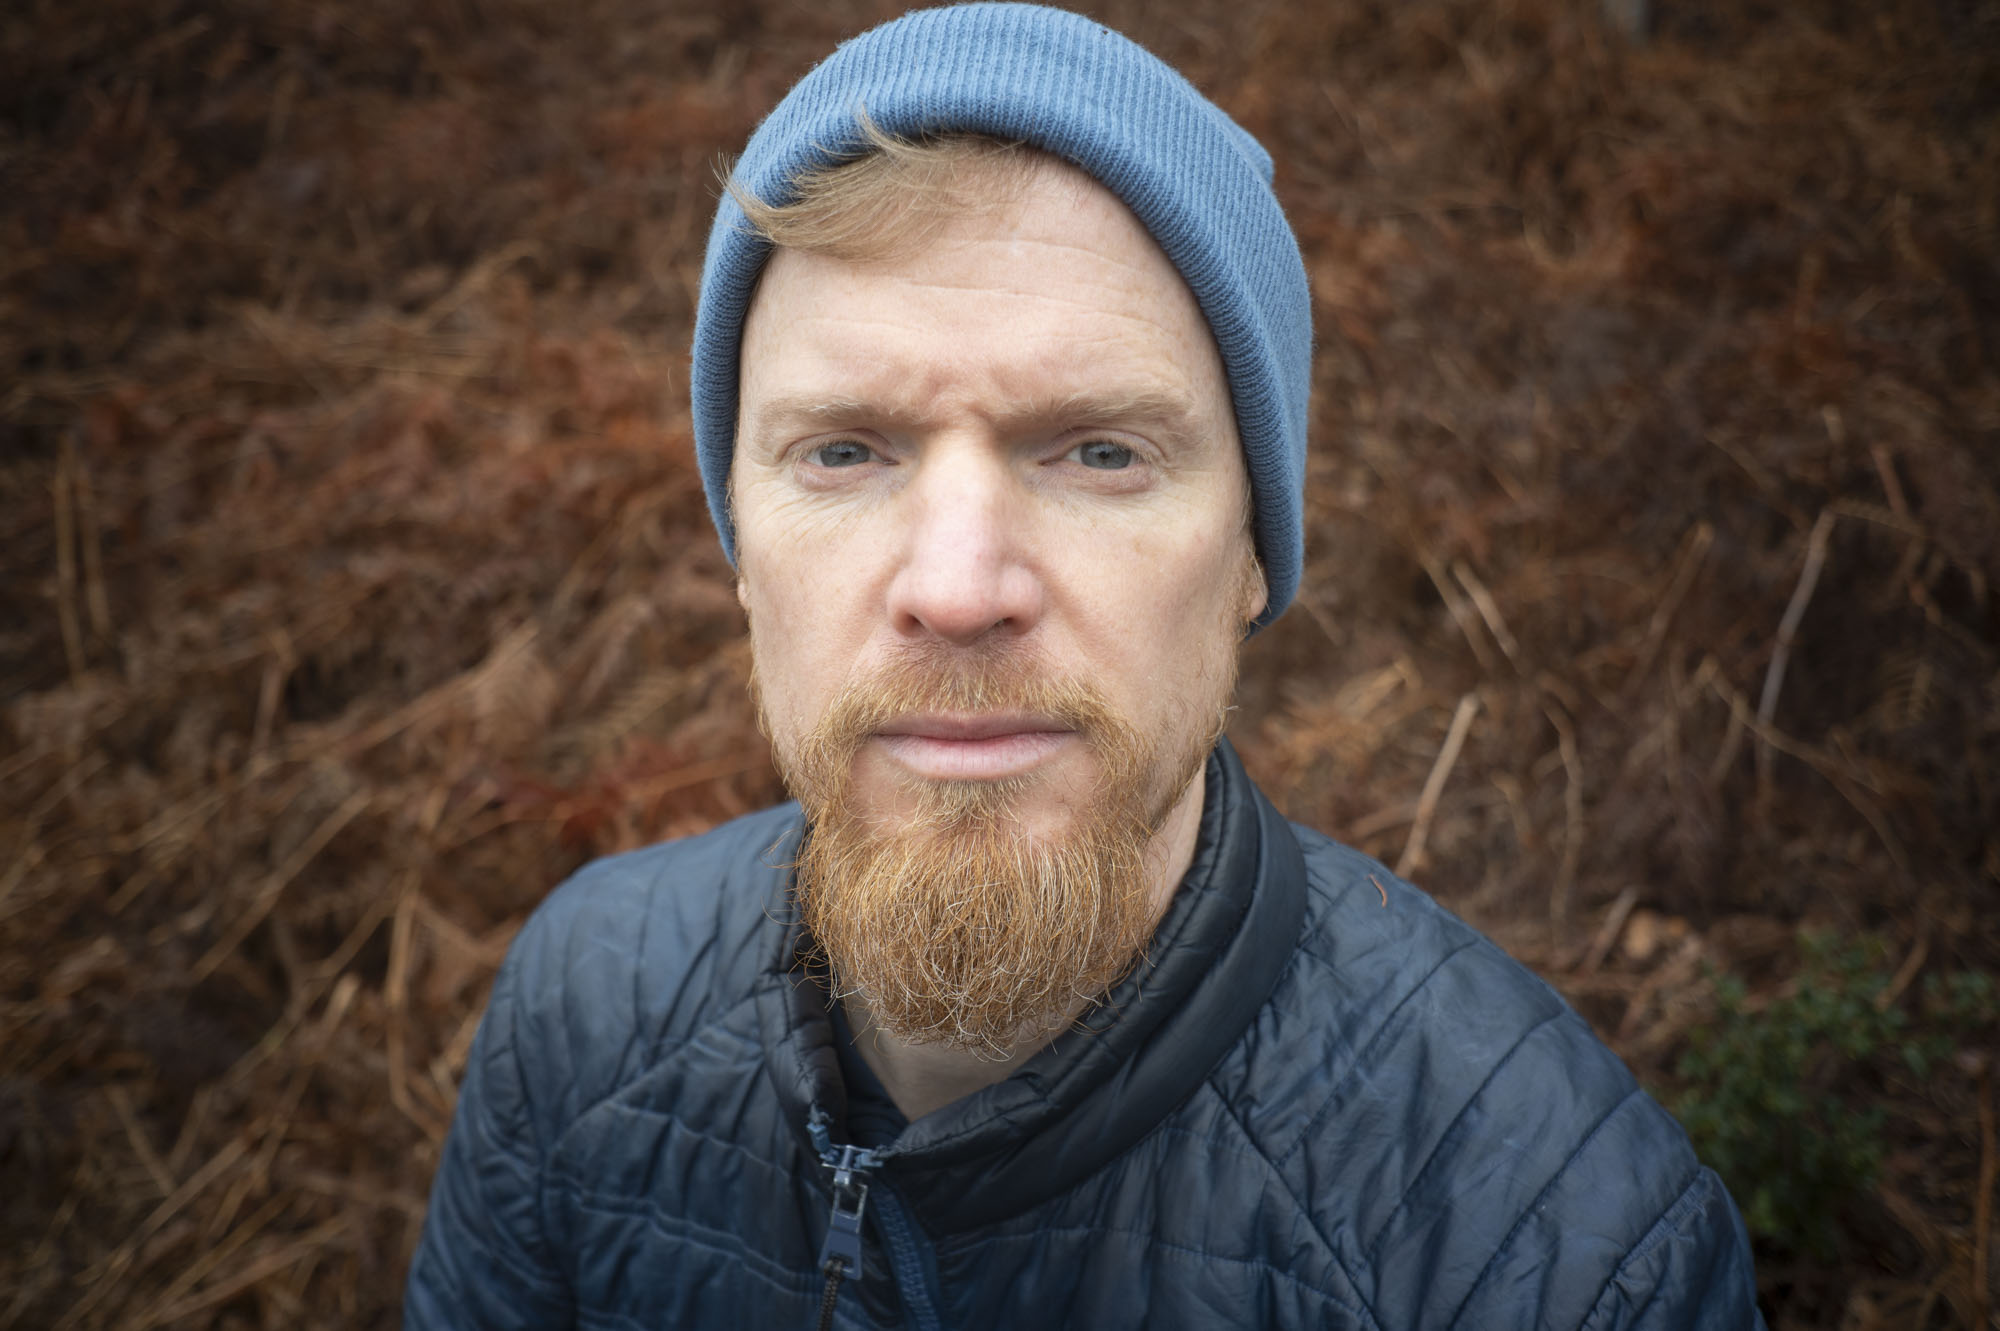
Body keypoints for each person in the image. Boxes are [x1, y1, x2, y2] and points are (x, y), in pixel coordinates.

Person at [405, 5, 1764, 1328]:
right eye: (844, 451)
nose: (957, 588)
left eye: (1100, 451)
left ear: (1251, 554)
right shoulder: (576, 1015)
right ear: (744, 553)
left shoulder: (1551, 1259)